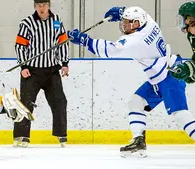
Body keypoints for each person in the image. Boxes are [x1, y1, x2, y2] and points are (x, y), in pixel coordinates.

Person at [67, 6, 195, 157]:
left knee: (180, 114)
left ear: (137, 24)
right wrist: (122, 12)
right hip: (160, 76)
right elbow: (142, 13)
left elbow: (111, 50)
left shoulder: (135, 40)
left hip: (170, 75)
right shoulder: (150, 22)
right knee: (136, 102)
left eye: (129, 23)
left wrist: (85, 41)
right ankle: (138, 141)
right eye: (125, 22)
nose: (125, 25)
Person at [14, 0, 70, 147]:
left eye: (44, 5)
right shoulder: (27, 23)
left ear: (49, 5)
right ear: (35, 6)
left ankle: (61, 134)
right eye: (39, 5)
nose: (42, 8)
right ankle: (21, 136)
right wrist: (23, 65)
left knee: (60, 101)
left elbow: (62, 42)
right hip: (31, 71)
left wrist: (64, 63)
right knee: (26, 104)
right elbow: (20, 45)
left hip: (52, 70)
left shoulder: (57, 21)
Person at [170, 1, 195, 83]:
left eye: (185, 19)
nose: (183, 25)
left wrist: (189, 69)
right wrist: (191, 75)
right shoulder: (191, 35)